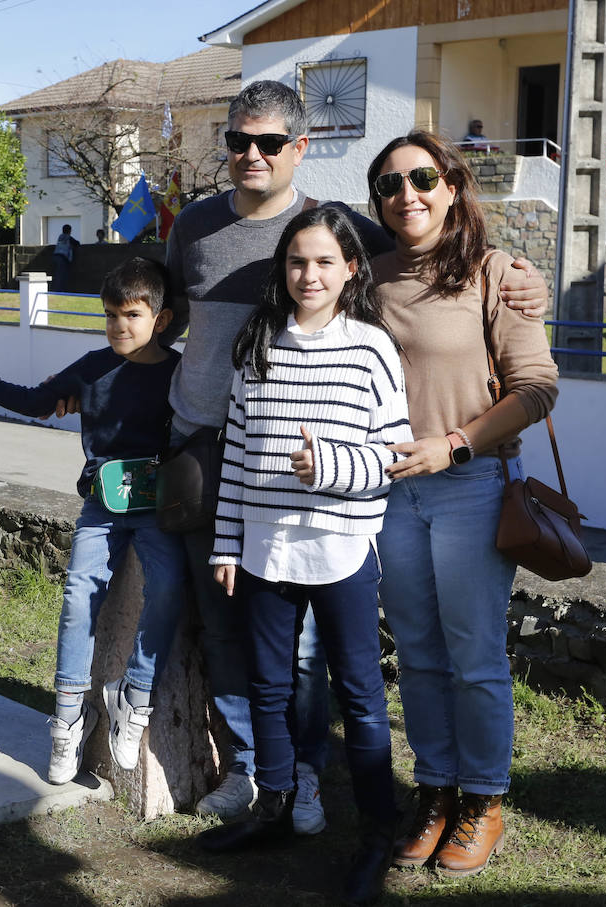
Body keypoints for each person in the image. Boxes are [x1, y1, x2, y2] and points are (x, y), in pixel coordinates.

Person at [153, 79, 550, 828]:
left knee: (398, 654)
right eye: (239, 140)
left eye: (270, 142)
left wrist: (527, 283)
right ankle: (298, 774)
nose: (252, 154)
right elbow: (163, 309)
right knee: (266, 630)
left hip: (421, 477)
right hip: (284, 468)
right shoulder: (218, 229)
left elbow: (521, 364)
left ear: (299, 149)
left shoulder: (419, 256)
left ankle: (434, 793)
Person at [195, 206, 411, 904]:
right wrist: (228, 541)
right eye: (296, 261)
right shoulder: (258, 343)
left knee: (359, 693)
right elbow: (236, 454)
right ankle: (274, 804)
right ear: (281, 270)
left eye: (323, 261)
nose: (308, 274)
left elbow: (390, 456)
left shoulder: (372, 348)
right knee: (269, 684)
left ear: (351, 268)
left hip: (342, 547)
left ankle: (378, 830)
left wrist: (328, 466)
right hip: (263, 546)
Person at [368, 131, 558, 878]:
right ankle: (436, 789)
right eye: (389, 184)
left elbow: (536, 387)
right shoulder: (369, 279)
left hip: (469, 487)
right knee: (415, 654)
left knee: (474, 655)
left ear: (452, 185)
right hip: (388, 495)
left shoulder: (496, 275)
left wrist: (455, 445)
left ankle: (483, 797)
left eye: (421, 177)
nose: (406, 193)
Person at [0, 257, 186, 785]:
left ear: (159, 320)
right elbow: (33, 401)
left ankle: (132, 697)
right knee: (77, 594)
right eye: (111, 315)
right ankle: (70, 712)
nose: (119, 326)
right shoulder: (91, 368)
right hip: (101, 504)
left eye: (132, 315)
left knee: (169, 588)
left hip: (160, 505)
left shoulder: (181, 372)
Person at [52, 224, 78, 291]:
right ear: (69, 231)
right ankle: (58, 291)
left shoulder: (60, 236)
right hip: (62, 258)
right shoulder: (68, 237)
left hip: (56, 256)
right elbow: (77, 243)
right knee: (60, 276)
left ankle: (58, 290)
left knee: (58, 275)